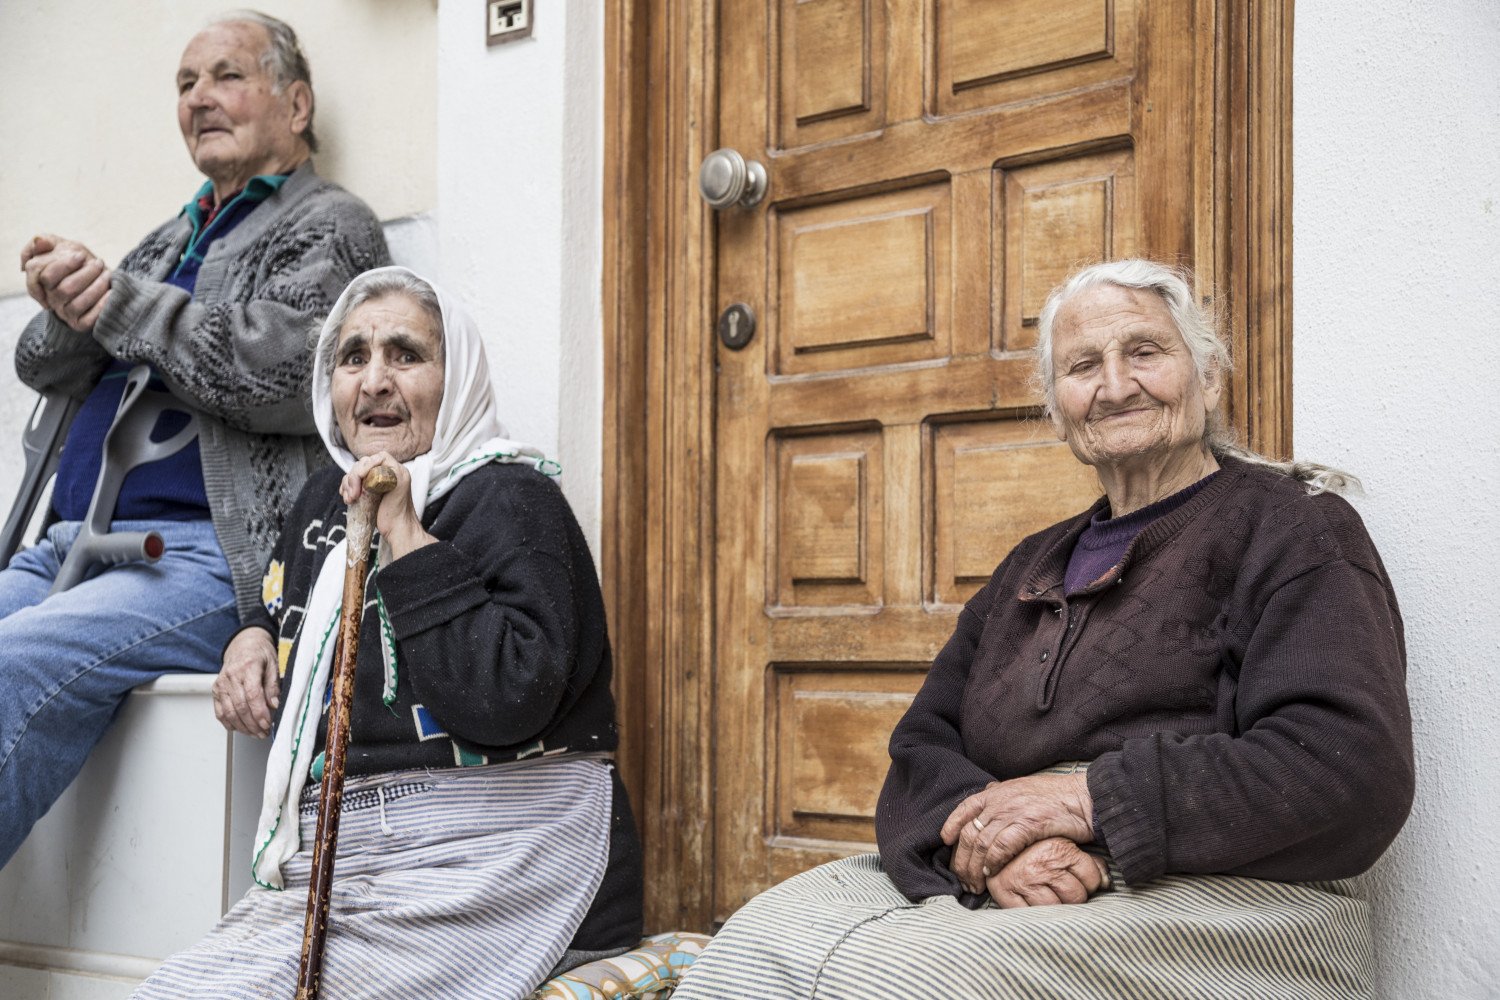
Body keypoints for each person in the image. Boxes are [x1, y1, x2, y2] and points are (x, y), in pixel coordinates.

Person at [674, 259, 1414, 999]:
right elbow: (922, 747)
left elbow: (1344, 768)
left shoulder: (1294, 529)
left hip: (1215, 886)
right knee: (750, 947)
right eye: (1084, 366)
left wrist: (1083, 805)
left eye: (1145, 352)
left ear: (1210, 377)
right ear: (1058, 412)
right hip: (1013, 865)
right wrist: (995, 850)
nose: (1116, 385)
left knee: (900, 985)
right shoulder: (1031, 563)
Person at [134, 267, 643, 999]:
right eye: (353, 357)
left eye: (405, 355)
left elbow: (508, 700)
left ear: (455, 375)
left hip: (502, 857)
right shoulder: (321, 500)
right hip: (349, 866)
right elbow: (284, 607)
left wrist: (402, 528)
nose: (374, 381)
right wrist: (249, 639)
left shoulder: (512, 500)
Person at [2, 11, 388, 866]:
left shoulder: (330, 223)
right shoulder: (169, 235)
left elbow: (291, 372)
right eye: (185, 84)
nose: (200, 99)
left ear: (296, 104)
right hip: (68, 546)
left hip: (204, 557)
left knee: (12, 663)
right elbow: (43, 366)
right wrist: (66, 300)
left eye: (225, 76)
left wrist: (119, 304)